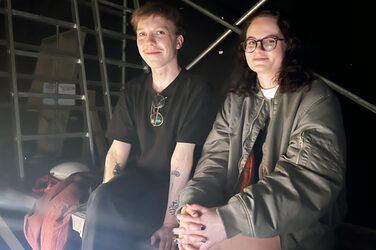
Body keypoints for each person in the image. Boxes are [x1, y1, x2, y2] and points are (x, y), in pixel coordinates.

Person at [173, 10, 346, 250]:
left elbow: (306, 179)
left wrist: (226, 220)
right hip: (234, 216)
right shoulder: (237, 100)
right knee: (191, 237)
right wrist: (193, 207)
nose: (258, 49)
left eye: (270, 41)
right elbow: (214, 160)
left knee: (206, 245)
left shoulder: (314, 98)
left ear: (289, 46)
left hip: (295, 228)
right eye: (252, 42)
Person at [81, 2, 216, 249]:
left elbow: (182, 160)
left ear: (178, 41)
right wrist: (107, 195)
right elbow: (117, 151)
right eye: (142, 34)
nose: (149, 41)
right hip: (141, 181)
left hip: (178, 188)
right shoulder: (134, 89)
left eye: (160, 33)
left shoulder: (196, 89)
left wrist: (168, 223)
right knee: (101, 199)